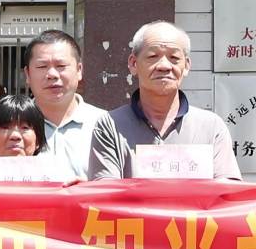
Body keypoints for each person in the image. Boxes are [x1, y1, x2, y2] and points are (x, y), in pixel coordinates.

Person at [87, 21, 243, 183]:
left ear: (186, 66)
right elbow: (106, 192)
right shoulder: (110, 125)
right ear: (133, 64)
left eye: (174, 58)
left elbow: (227, 191)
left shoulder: (211, 127)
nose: (164, 66)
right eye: (152, 56)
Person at [0, 29, 103, 180]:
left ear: (79, 70)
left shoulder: (104, 124)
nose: (52, 75)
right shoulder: (4, 124)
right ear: (28, 74)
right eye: (42, 66)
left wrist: (89, 188)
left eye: (61, 65)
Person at [0, 94, 77, 182]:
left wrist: (78, 189)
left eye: (25, 128)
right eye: (5, 127)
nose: (15, 136)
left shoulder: (58, 177)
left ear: (38, 140)